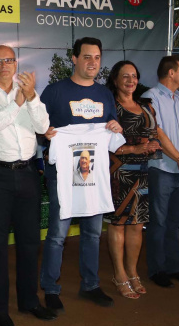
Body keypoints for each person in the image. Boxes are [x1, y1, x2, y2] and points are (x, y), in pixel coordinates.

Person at [0, 45, 56, 326]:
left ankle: (29, 301)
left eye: (9, 60)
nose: (4, 65)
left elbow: (43, 126)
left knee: (30, 242)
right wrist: (17, 103)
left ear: (15, 64)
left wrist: (30, 98)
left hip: (28, 172)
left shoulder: (27, 91)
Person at [39, 37, 121, 311]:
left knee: (92, 233)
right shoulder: (54, 92)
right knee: (58, 235)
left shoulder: (105, 94)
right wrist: (45, 133)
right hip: (62, 174)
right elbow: (37, 127)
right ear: (73, 59)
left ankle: (91, 285)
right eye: (86, 57)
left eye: (97, 57)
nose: (92, 62)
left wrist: (115, 127)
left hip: (93, 175)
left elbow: (113, 126)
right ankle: (50, 288)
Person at [103, 60, 161, 299]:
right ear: (115, 80)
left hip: (142, 172)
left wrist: (152, 145)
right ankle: (119, 274)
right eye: (125, 76)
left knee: (137, 225)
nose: (130, 80)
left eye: (134, 76)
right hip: (118, 171)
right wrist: (133, 150)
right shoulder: (109, 106)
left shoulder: (147, 106)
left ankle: (133, 273)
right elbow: (103, 143)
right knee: (118, 223)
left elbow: (154, 136)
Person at [140, 56, 179, 288]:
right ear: (171, 73)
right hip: (162, 169)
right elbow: (158, 133)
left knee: (174, 222)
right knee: (159, 222)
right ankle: (157, 269)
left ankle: (175, 267)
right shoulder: (151, 97)